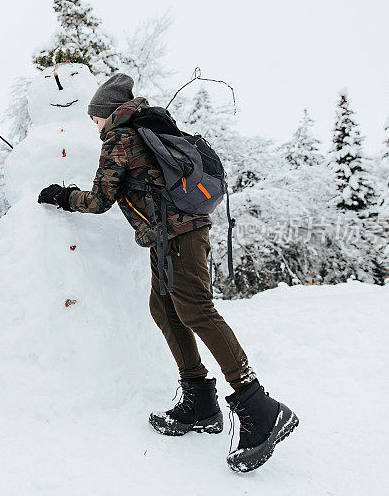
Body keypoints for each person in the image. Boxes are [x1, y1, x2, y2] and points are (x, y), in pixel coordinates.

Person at [37, 74, 298, 472]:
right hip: (168, 235)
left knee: (196, 310)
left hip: (180, 235)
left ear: (107, 115)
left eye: (95, 117)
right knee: (163, 307)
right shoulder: (142, 130)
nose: (94, 124)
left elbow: (99, 200)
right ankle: (199, 400)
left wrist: (62, 196)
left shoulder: (120, 139)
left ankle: (259, 405)